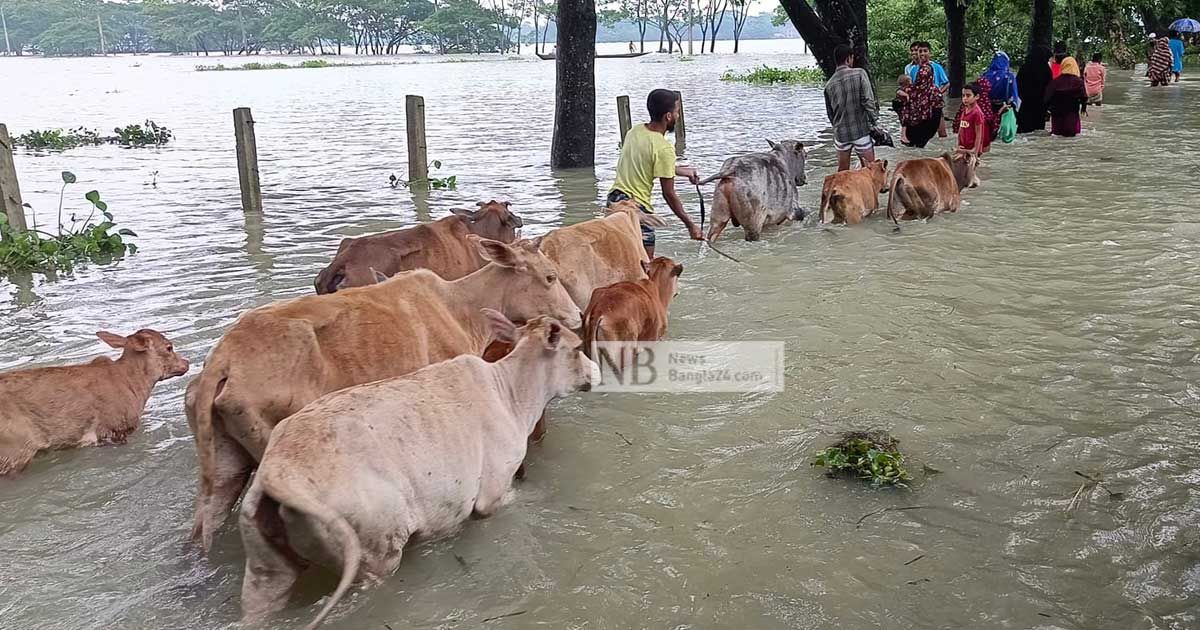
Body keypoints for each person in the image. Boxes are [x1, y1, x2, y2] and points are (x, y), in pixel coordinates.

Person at [608, 89, 703, 257]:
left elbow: (648, 162)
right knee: (646, 266)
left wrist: (683, 171)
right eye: (677, 112)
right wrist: (690, 225)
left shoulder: (635, 131)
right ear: (668, 116)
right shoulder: (664, 148)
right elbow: (669, 194)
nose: (678, 116)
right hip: (636, 209)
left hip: (614, 201)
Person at [823, 43, 878, 171]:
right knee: (870, 170)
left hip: (841, 134)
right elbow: (868, 101)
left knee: (843, 171)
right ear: (848, 58)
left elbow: (830, 114)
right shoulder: (860, 73)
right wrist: (874, 123)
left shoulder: (829, 85)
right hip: (860, 130)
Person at [900, 63, 942, 148]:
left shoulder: (935, 92)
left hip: (928, 123)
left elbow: (938, 112)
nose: (923, 78)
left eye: (925, 76)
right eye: (921, 75)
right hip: (913, 124)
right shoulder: (912, 90)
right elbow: (899, 100)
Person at [1044, 56, 1088, 137]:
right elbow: (1084, 97)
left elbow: (1047, 98)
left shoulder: (1055, 82)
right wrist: (1083, 108)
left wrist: (1048, 110)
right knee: (1072, 136)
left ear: (1063, 66)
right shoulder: (1079, 82)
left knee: (1056, 135)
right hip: (1072, 114)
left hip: (1057, 114)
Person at [1016, 45, 1052, 133]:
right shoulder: (1046, 70)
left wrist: (1023, 97)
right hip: (1040, 108)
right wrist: (1047, 106)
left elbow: (1017, 85)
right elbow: (1049, 89)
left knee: (1023, 133)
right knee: (1038, 134)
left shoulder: (1024, 68)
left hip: (1026, 106)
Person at [957, 82, 990, 156]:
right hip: (963, 148)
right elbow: (960, 129)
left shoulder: (977, 113)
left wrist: (975, 150)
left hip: (972, 150)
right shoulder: (965, 109)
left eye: (968, 96)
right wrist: (959, 145)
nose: (965, 98)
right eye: (963, 96)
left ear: (977, 97)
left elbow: (979, 134)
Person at [893, 73, 913, 145]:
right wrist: (906, 95)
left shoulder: (909, 88)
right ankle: (903, 136)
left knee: (906, 121)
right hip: (899, 106)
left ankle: (905, 135)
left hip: (903, 107)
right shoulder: (901, 89)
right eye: (910, 80)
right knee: (904, 121)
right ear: (906, 82)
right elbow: (899, 92)